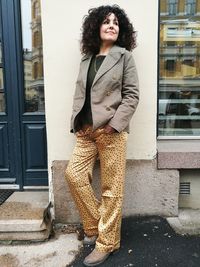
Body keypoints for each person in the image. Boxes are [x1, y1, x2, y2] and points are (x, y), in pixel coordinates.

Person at [65, 5, 139, 266]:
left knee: (111, 190)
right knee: (73, 175)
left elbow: (132, 96)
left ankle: (107, 242)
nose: (111, 25)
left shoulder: (124, 57)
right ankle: (96, 226)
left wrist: (114, 125)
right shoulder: (87, 58)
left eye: (116, 23)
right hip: (86, 131)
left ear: (121, 30)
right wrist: (78, 123)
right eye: (106, 21)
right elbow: (81, 95)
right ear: (96, 27)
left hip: (112, 132)